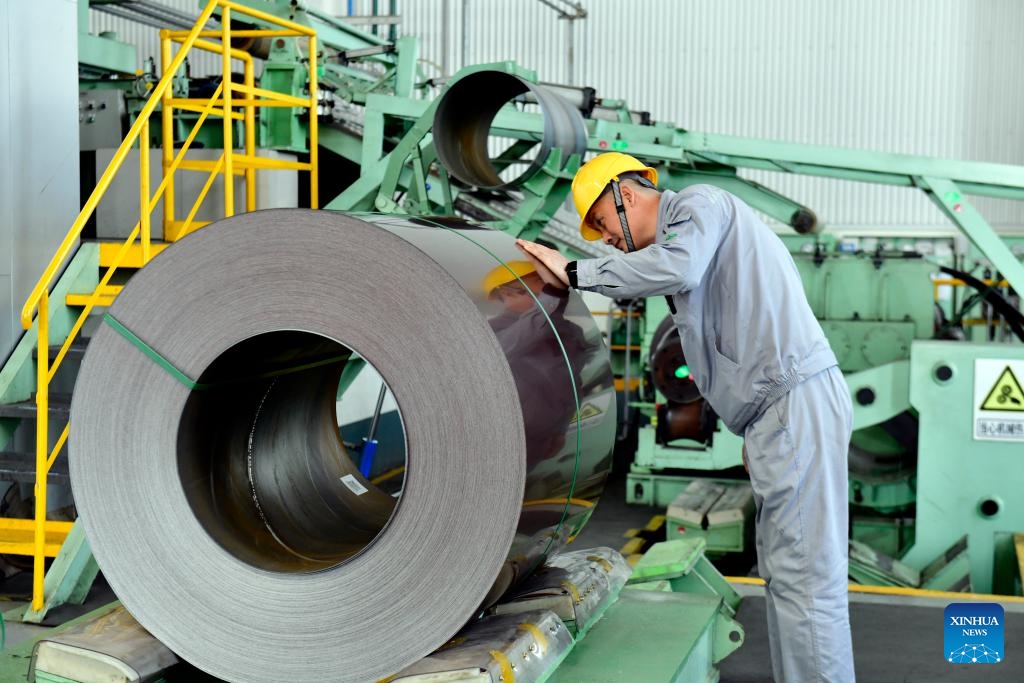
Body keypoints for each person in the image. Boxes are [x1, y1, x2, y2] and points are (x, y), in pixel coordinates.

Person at [516, 152, 855, 682]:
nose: (605, 239)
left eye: (603, 224)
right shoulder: (688, 236)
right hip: (781, 415)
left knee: (805, 579)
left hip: (794, 408)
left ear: (626, 196)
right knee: (791, 576)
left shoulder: (698, 206)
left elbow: (678, 266)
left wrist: (575, 271)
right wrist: (752, 424)